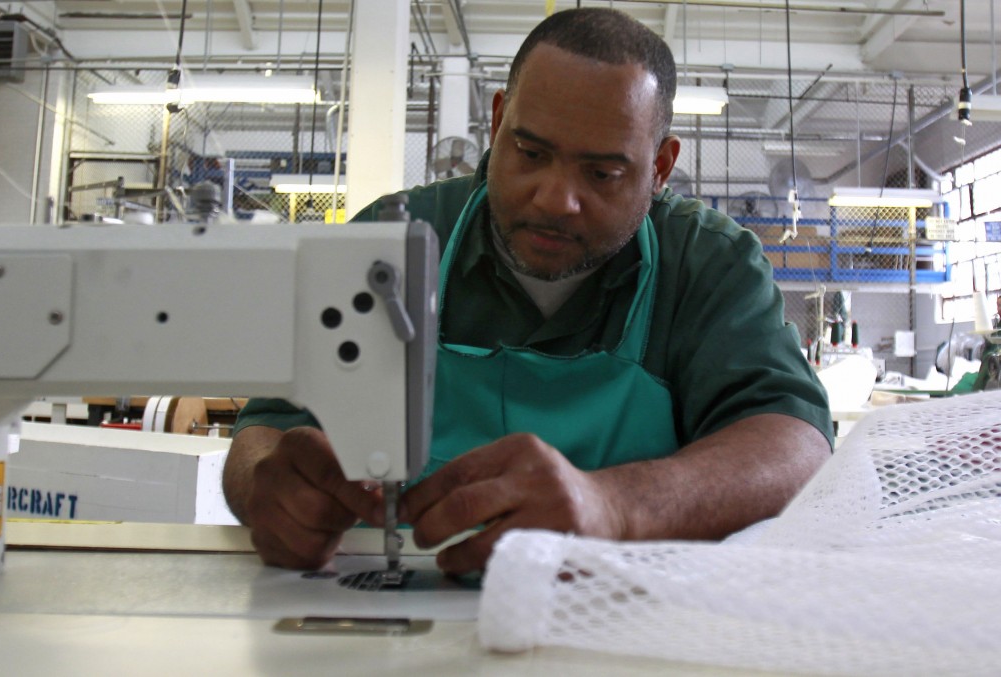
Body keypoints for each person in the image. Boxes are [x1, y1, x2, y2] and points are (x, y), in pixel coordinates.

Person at [222, 7, 833, 575]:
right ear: (497, 123)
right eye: (531, 152)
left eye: (602, 173)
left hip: (622, 618)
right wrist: (268, 486)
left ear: (661, 166)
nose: (555, 199)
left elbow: (795, 443)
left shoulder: (705, 263)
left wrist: (614, 507)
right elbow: (266, 429)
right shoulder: (391, 241)